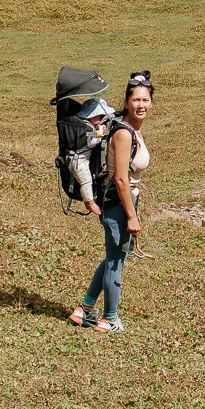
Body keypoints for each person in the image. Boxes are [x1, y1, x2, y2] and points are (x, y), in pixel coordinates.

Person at [70, 72, 152, 331]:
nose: (141, 105)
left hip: (120, 202)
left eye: (146, 100)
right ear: (126, 102)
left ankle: (84, 310)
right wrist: (131, 216)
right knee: (116, 262)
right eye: (136, 100)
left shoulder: (130, 129)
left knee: (112, 258)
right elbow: (120, 179)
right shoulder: (124, 133)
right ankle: (110, 319)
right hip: (118, 202)